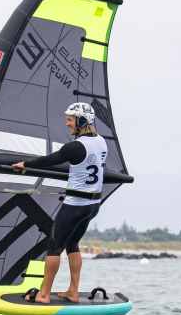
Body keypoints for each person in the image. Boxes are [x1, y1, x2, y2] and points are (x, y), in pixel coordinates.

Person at [11, 102, 108, 304]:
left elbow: (51, 159)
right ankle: (73, 291)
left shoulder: (75, 146)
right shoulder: (101, 142)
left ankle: (44, 294)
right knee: (72, 244)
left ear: (82, 121)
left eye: (70, 120)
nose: (67, 123)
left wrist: (25, 165)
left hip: (75, 205)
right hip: (93, 205)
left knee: (54, 246)